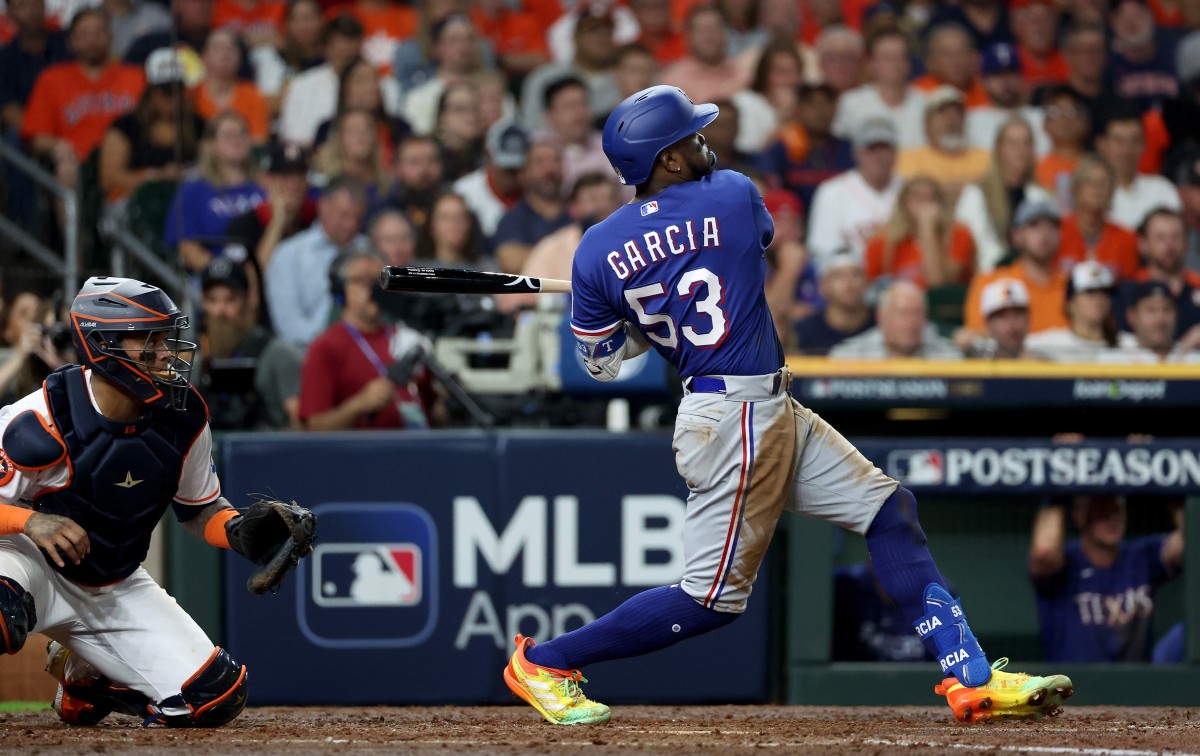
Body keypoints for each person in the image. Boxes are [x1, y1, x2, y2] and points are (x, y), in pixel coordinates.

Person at [504, 85, 1071, 727]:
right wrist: (656, 299)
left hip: (756, 408)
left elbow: (601, 364)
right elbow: (741, 254)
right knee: (709, 601)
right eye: (689, 138)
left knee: (889, 510)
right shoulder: (734, 194)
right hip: (737, 421)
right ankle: (545, 660)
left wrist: (637, 315)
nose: (702, 144)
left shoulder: (595, 251)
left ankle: (971, 678)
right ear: (664, 160)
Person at [0, 276, 314, 727]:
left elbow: (197, 508)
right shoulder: (42, 417)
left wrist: (236, 531)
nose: (167, 353)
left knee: (214, 697)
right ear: (103, 344)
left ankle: (85, 675)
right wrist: (29, 524)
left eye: (166, 340)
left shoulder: (184, 417)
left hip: (114, 581)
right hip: (31, 562)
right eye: (149, 342)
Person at [1029, 492, 1184, 662]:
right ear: (1080, 516)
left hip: (1137, 683)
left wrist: (1177, 495)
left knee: (1182, 635)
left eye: (1117, 510)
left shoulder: (1141, 556)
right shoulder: (1066, 562)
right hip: (1076, 684)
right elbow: (1044, 550)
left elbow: (1190, 542)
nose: (1112, 519)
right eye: (1102, 510)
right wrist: (1055, 492)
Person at [298, 249, 438, 431]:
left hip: (421, 449)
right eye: (362, 281)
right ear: (341, 289)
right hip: (361, 455)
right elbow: (314, 428)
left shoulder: (409, 340)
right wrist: (358, 405)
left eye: (379, 281)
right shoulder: (326, 347)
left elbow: (435, 411)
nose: (373, 290)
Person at [20, 8, 144, 189]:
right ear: (70, 42)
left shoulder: (135, 77)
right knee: (65, 168)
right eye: (84, 34)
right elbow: (36, 136)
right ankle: (71, 218)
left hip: (128, 162)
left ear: (110, 37)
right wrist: (58, 147)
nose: (92, 40)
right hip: (79, 163)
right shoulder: (52, 79)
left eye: (98, 32)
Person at [196, 257, 302, 430]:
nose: (220, 310)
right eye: (212, 301)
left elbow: (300, 424)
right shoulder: (198, 361)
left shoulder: (278, 355)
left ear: (249, 301)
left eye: (230, 300)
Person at [264, 176, 369, 350]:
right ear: (323, 206)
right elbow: (288, 323)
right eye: (343, 215)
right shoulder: (289, 254)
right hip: (306, 351)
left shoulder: (370, 252)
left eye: (357, 217)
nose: (350, 225)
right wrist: (331, 343)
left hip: (365, 348)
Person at [163, 111, 267, 273]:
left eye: (242, 132)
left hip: (269, 270)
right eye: (227, 134)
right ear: (210, 144)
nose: (236, 139)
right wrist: (223, 274)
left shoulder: (266, 187)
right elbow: (188, 249)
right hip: (217, 278)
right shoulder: (192, 193)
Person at [98, 47, 203, 206]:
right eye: (166, 91)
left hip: (187, 201)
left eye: (178, 89)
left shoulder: (198, 124)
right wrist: (156, 177)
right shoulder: (127, 126)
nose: (173, 97)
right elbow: (109, 179)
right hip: (136, 203)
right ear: (151, 91)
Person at [955, 117, 1054, 273]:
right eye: (1012, 143)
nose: (1020, 149)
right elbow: (974, 246)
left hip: (1035, 275)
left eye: (1026, 143)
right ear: (999, 148)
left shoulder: (1041, 196)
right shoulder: (976, 194)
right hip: (989, 276)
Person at [963, 199, 1070, 337]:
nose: (1045, 234)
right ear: (1016, 235)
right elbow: (976, 335)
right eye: (1034, 226)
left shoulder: (1072, 285)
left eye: (1053, 226)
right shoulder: (990, 282)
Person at [806, 117, 901, 265]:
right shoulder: (832, 192)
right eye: (871, 149)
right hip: (850, 280)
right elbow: (822, 253)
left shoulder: (909, 190)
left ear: (895, 152)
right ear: (857, 153)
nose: (879, 157)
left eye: (885, 149)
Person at [864, 176, 976, 289]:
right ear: (903, 203)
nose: (924, 204)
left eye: (931, 198)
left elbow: (940, 285)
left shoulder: (958, 233)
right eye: (917, 197)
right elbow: (872, 290)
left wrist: (926, 229)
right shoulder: (882, 242)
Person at [832, 26, 927, 149]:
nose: (895, 64)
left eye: (900, 57)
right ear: (872, 64)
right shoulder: (851, 103)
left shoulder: (926, 104)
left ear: (908, 64)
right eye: (888, 58)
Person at [1095, 109, 1183, 231]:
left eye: (1134, 141)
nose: (1127, 150)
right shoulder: (1091, 191)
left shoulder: (1162, 189)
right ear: (1102, 145)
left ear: (1144, 144)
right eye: (1119, 141)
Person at [830, 280, 964, 359]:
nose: (911, 322)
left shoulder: (948, 357)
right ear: (881, 318)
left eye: (917, 314)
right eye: (903, 314)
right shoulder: (850, 357)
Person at [493, 137, 570, 272]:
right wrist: (566, 255)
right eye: (540, 162)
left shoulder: (579, 212)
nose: (549, 168)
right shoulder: (513, 218)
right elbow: (511, 260)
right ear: (524, 173)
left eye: (555, 160)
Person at [896, 86, 991, 195]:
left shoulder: (985, 160)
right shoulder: (906, 160)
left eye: (957, 113)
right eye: (943, 113)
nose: (951, 120)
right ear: (927, 124)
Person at [1058, 155, 1140, 281]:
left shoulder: (1126, 238)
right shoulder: (1057, 232)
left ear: (1111, 190)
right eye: (1089, 182)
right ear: (1076, 188)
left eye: (1103, 183)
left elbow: (1129, 286)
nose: (1096, 189)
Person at [1123, 209, 1200, 336]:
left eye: (1176, 237)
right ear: (1143, 244)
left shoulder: (1197, 285)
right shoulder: (1129, 291)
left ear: (1187, 242)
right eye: (1160, 238)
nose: (1169, 245)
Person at [1026, 260, 1120, 361]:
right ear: (1070, 303)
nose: (1099, 298)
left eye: (1105, 292)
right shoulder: (1049, 344)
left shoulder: (1129, 345)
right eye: (1090, 292)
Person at [189, 27, 270, 143]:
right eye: (217, 48)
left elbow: (259, 141)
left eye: (230, 49)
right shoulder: (191, 94)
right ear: (204, 57)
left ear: (240, 58)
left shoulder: (253, 95)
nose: (224, 54)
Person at [793, 253, 875, 356]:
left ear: (866, 283)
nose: (849, 283)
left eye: (856, 274)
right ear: (823, 286)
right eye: (838, 276)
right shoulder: (805, 332)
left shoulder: (882, 323)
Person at [1099, 280, 1200, 363]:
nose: (1160, 318)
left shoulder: (1192, 358)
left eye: (1167, 309)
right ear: (1132, 316)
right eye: (1151, 310)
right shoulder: (1114, 355)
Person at [961, 277, 1040, 359]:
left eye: (1018, 314)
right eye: (1001, 316)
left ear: (1028, 318)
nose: (1011, 323)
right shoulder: (977, 360)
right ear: (988, 323)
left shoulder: (1046, 359)